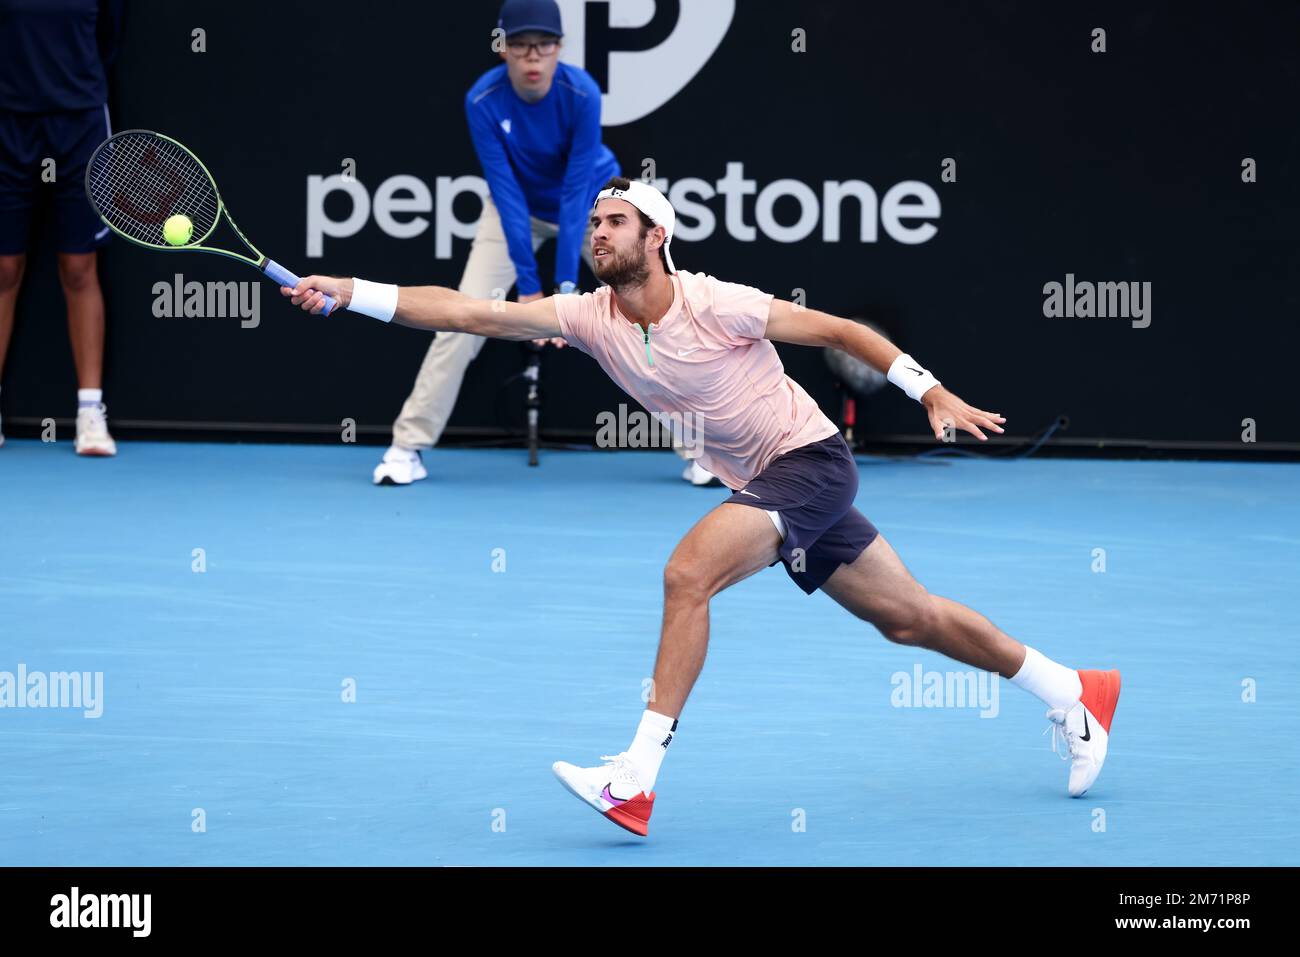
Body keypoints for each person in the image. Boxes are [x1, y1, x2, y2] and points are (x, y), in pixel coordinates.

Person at [283, 177, 1122, 838]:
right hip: (766, 481)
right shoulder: (586, 316)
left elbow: (839, 330)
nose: (598, 233)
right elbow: (470, 308)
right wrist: (349, 289)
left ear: (657, 238)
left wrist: (929, 388)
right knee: (909, 619)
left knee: (688, 572)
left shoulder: (717, 302)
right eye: (594, 224)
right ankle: (1075, 691)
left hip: (809, 464)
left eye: (616, 223)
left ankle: (636, 778)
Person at [371, 0, 617, 485]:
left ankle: (701, 449)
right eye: (521, 46)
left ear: (559, 49)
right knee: (459, 321)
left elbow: (574, 194)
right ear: (503, 49)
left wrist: (564, 290)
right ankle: (407, 447)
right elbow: (505, 192)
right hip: (515, 214)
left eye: (543, 45)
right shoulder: (482, 100)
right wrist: (529, 289)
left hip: (593, 205)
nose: (532, 58)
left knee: (657, 315)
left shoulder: (582, 94)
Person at [0, 0, 123, 454]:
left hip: (79, 124)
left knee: (78, 267)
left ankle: (90, 412)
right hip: (7, 122)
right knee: (4, 268)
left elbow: (109, 40)